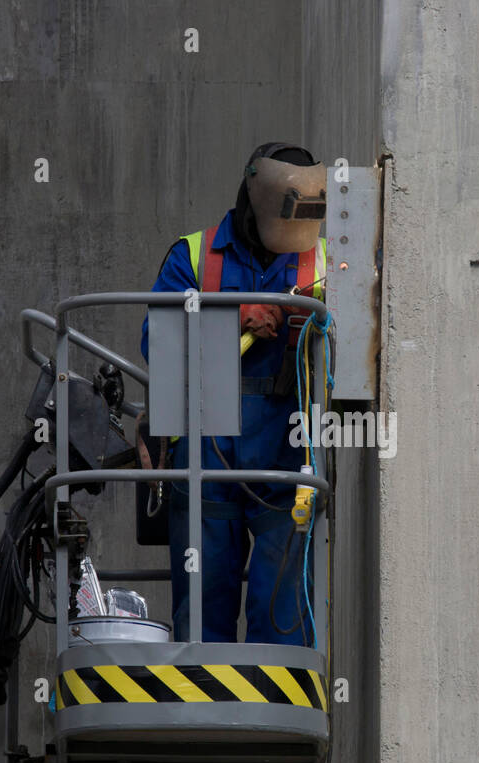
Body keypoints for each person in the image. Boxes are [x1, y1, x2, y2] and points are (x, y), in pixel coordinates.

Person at [140, 142, 327, 645]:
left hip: (287, 456)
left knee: (281, 612)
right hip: (206, 454)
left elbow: (351, 356)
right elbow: (155, 342)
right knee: (203, 613)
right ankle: (202, 714)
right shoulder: (195, 256)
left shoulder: (323, 264)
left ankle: (277, 710)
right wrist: (229, 317)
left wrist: (314, 321)